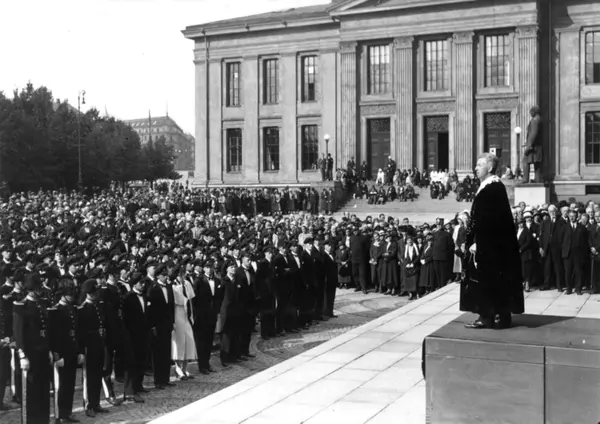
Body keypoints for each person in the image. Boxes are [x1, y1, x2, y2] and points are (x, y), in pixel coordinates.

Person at [461, 153, 524, 329]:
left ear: (489, 168)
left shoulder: (492, 188)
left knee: (489, 279)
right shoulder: (492, 187)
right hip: (495, 244)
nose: (475, 168)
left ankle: (487, 317)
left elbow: (489, 220)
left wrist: (478, 242)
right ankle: (500, 316)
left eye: (479, 165)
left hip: (490, 244)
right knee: (497, 280)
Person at [522, 106, 543, 183]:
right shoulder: (541, 120)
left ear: (534, 112)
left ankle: (525, 179)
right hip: (539, 145)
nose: (530, 113)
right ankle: (537, 179)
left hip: (533, 146)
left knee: (525, 160)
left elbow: (533, 133)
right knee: (537, 163)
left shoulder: (534, 120)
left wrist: (529, 145)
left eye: (531, 112)